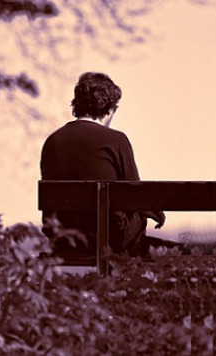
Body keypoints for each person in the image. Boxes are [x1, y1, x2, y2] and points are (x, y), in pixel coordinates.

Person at [40, 72, 169, 258]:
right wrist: (153, 210)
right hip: (110, 240)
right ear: (109, 109)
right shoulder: (116, 140)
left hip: (63, 239)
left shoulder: (52, 142)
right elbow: (135, 193)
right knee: (141, 222)